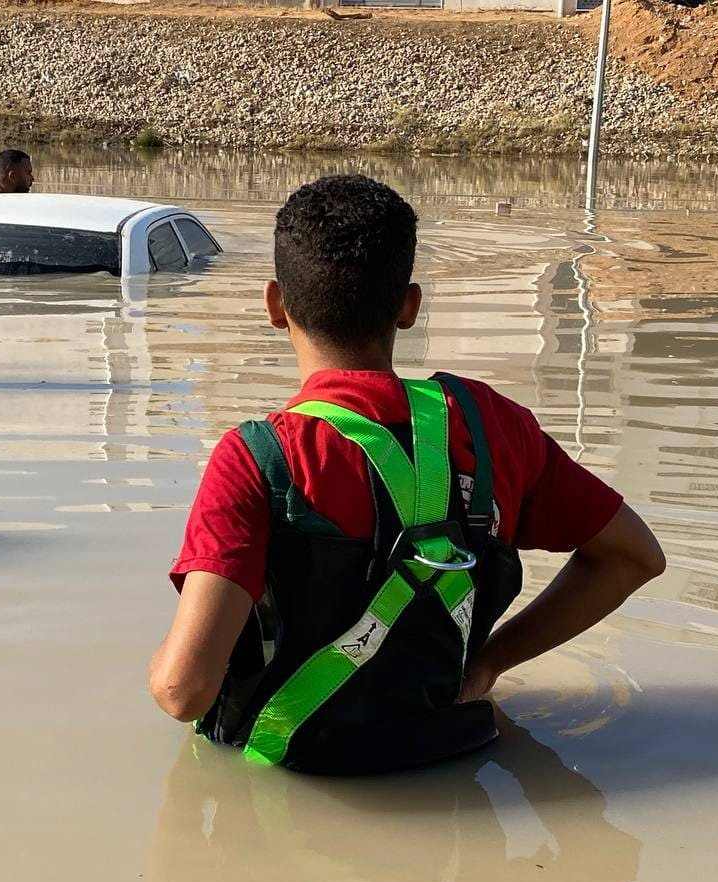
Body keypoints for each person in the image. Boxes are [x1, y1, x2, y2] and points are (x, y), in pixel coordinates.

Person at [148, 174, 665, 774]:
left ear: (273, 305)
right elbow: (635, 556)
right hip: (454, 758)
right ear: (410, 306)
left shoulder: (258, 458)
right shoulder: (494, 426)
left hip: (295, 778)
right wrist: (492, 662)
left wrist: (161, 662)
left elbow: (183, 692)